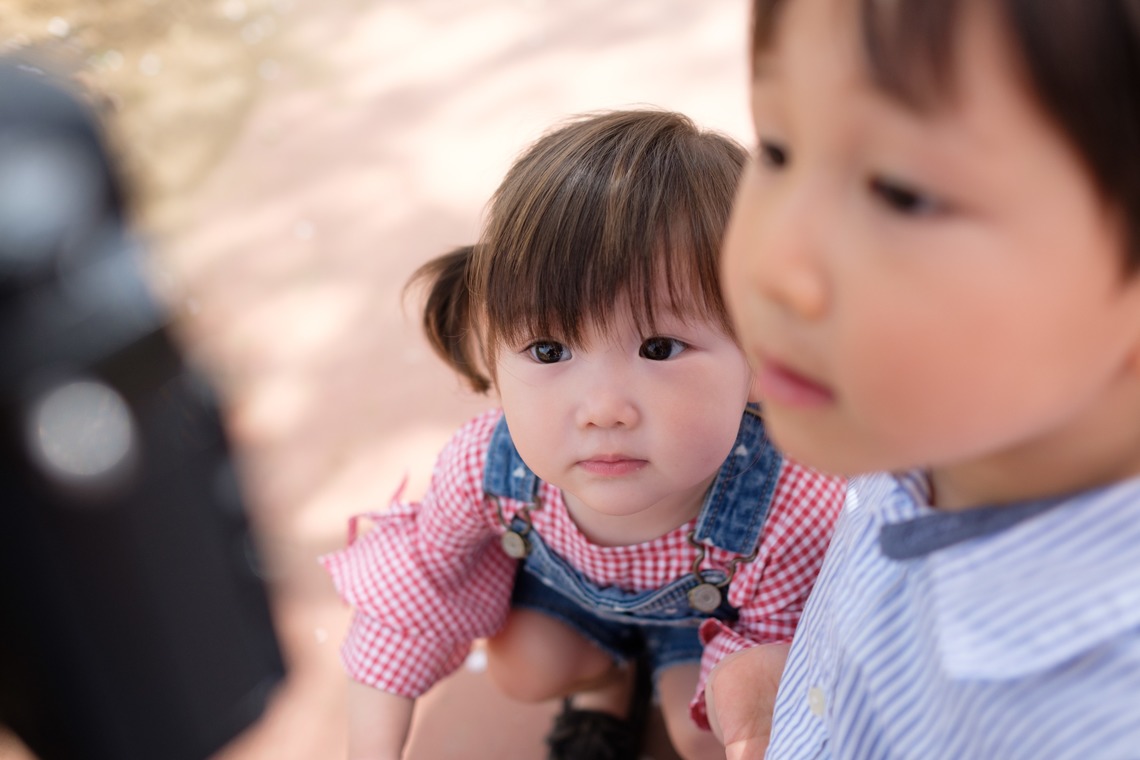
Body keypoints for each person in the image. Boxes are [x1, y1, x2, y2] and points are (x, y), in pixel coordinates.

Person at [321, 108, 846, 760]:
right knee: (523, 667)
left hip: (712, 624)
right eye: (548, 351)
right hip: (572, 607)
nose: (603, 409)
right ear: (491, 352)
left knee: (705, 733)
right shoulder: (485, 468)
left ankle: (665, 681)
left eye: (659, 347)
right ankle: (607, 682)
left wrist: (752, 707)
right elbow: (417, 596)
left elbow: (784, 646)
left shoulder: (793, 506)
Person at [708, 0, 1140, 758]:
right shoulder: (937, 427)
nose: (773, 263)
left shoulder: (1096, 717)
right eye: (776, 148)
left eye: (901, 193)